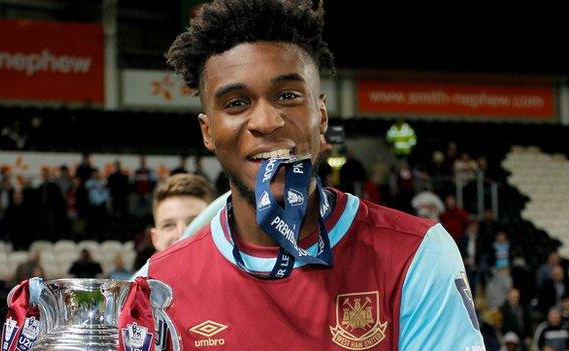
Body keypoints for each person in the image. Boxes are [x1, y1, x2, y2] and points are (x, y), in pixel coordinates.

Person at [145, 0, 485, 349]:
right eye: (236, 103)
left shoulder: (418, 255)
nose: (267, 121)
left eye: (288, 95)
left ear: (321, 114)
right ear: (208, 132)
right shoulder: (157, 284)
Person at [131, 173, 215, 278]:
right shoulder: (138, 292)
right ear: (155, 239)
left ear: (216, 228)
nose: (181, 234)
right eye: (168, 225)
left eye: (193, 222)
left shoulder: (237, 287)